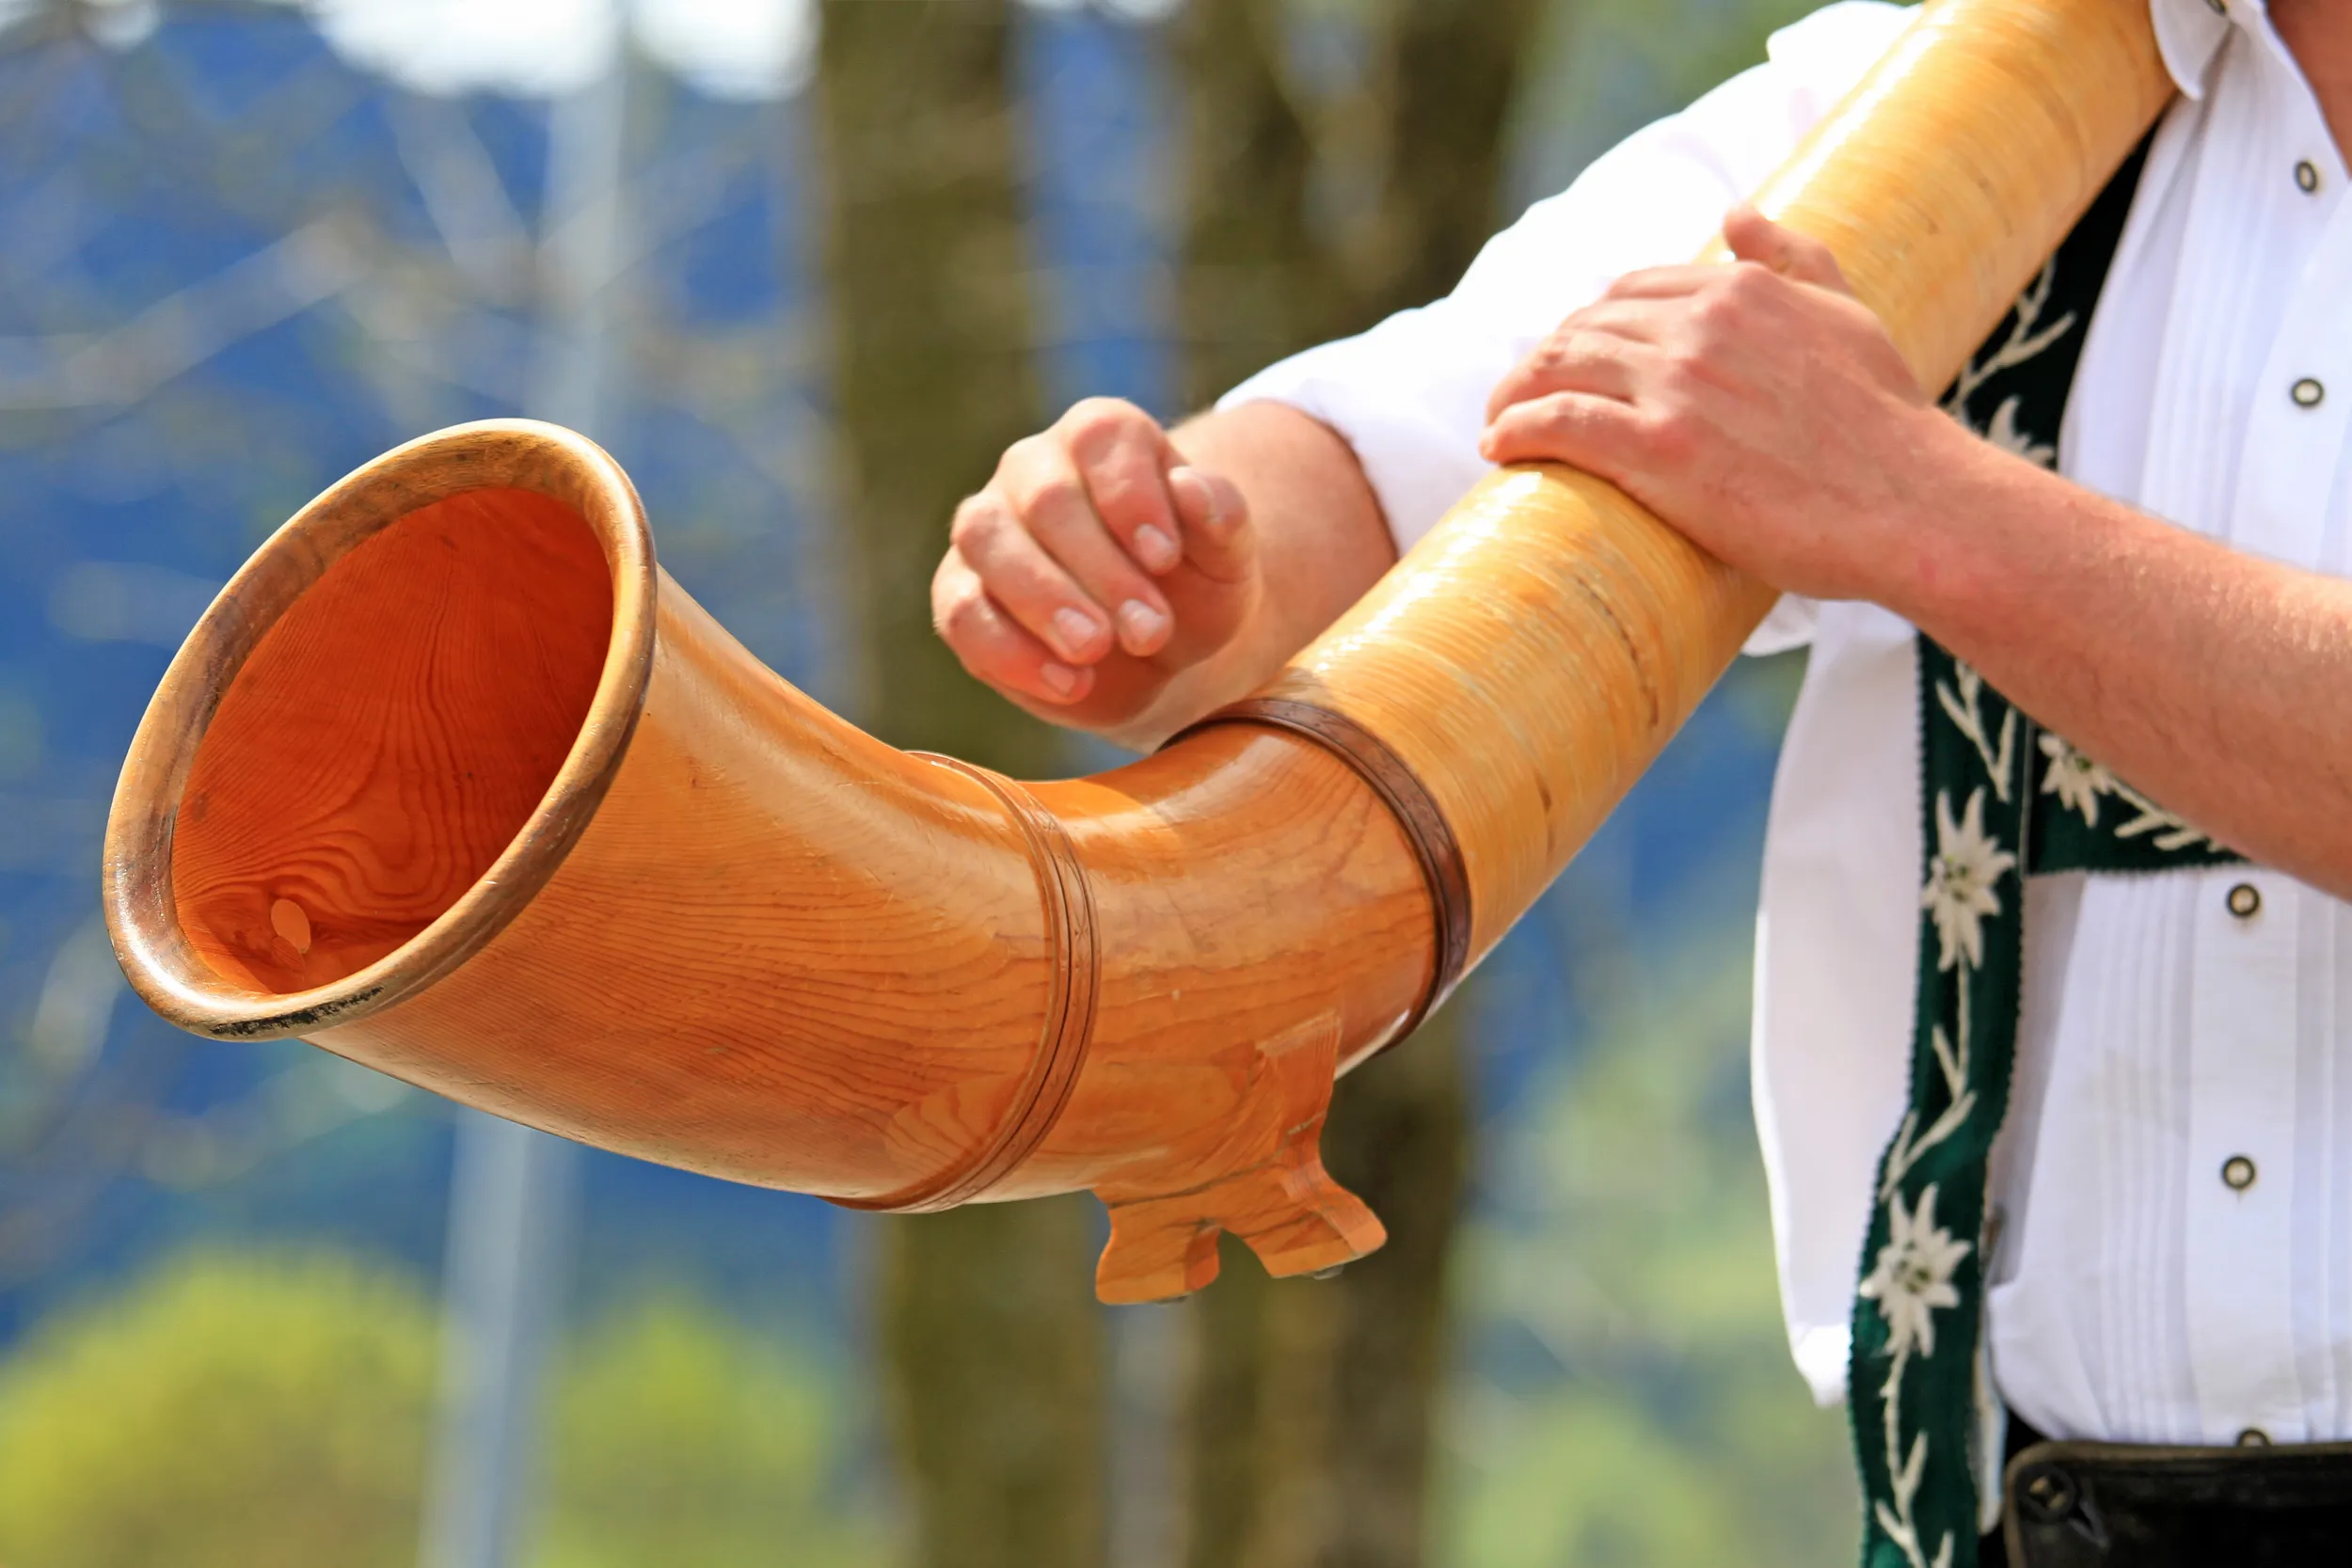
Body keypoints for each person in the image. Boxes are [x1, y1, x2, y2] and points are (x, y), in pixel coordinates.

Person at [934, 0, 2352, 1562]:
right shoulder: (1927, 81)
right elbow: (1413, 450)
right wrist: (1163, 560)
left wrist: (1916, 506)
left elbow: (1853, 471)